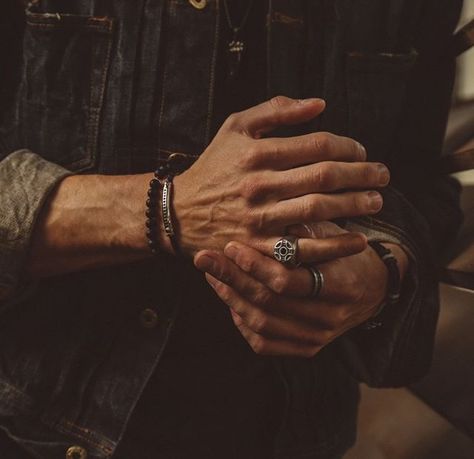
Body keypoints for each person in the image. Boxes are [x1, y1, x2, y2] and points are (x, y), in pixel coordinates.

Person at [0, 0, 464, 458]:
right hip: (35, 427)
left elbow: (422, 182)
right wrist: (171, 208)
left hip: (291, 433)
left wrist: (382, 272)